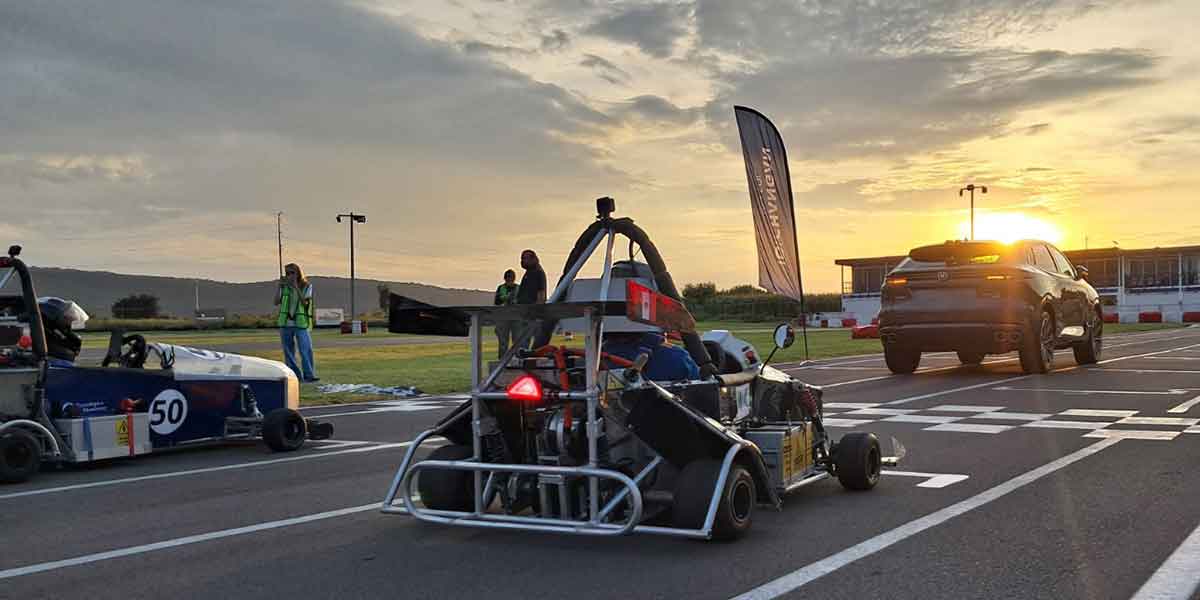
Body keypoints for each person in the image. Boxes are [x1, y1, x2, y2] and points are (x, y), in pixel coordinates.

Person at [274, 262, 318, 382]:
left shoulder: (307, 286)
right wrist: (279, 287)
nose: (289, 275)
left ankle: (309, 375)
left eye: (292, 273)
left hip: (300, 323)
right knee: (288, 352)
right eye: (287, 273)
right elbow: (276, 302)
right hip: (285, 323)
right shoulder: (284, 287)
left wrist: (296, 287)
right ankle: (295, 376)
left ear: (298, 273)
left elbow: (305, 303)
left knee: (305, 350)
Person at [516, 250, 547, 349]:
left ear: (533, 259)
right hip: (525, 311)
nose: (522, 261)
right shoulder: (528, 273)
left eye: (525, 258)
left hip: (532, 312)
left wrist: (537, 310)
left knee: (527, 340)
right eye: (522, 258)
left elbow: (541, 293)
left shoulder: (538, 272)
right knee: (523, 339)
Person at [493, 269, 520, 358]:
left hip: (516, 317)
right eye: (508, 278)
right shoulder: (501, 288)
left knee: (517, 341)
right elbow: (497, 302)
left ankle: (517, 359)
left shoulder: (518, 288)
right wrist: (507, 298)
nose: (509, 280)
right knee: (503, 342)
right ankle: (502, 361)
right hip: (503, 317)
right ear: (505, 278)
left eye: (511, 278)